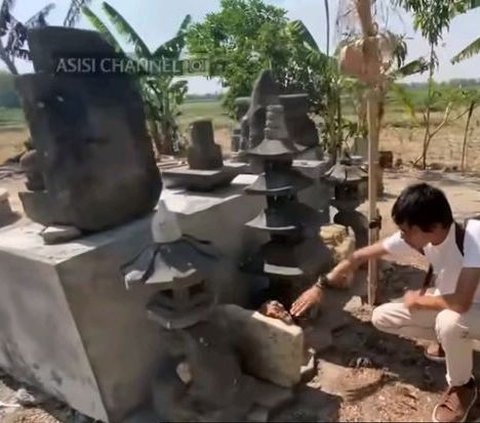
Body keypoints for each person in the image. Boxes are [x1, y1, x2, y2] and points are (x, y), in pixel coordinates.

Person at [290, 182, 480, 423]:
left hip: (466, 309)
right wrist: (320, 286)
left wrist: (421, 301)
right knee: (382, 317)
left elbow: (461, 303)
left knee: (449, 321)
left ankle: (463, 386)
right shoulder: (423, 238)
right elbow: (358, 256)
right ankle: (453, 345)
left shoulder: (474, 236)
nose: (401, 236)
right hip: (457, 308)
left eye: (406, 230)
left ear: (432, 227)